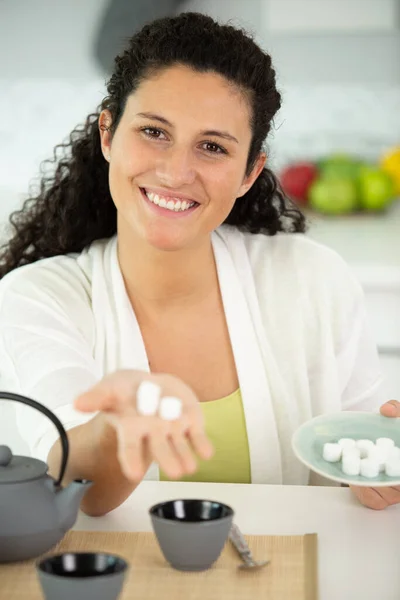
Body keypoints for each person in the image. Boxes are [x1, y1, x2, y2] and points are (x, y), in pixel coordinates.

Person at [0, 12, 398, 517]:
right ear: (108, 133)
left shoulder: (314, 279)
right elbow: (75, 482)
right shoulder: (37, 297)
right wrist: (120, 424)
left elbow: (358, 461)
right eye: (153, 132)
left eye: (212, 147)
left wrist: (372, 481)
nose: (175, 172)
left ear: (250, 171)